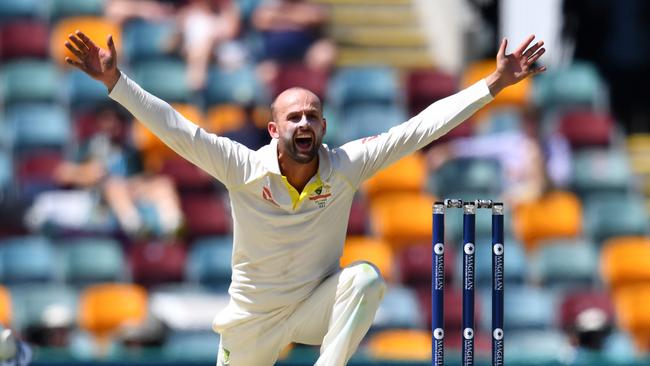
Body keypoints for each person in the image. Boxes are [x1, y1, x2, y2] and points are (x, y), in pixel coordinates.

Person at [64, 30, 545, 365]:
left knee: (365, 279)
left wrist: (494, 84)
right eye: (293, 117)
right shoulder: (243, 167)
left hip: (316, 307)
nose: (303, 124)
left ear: (323, 127)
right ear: (273, 129)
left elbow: (420, 128)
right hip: (251, 320)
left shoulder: (347, 165)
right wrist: (116, 84)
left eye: (312, 117)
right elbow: (176, 129)